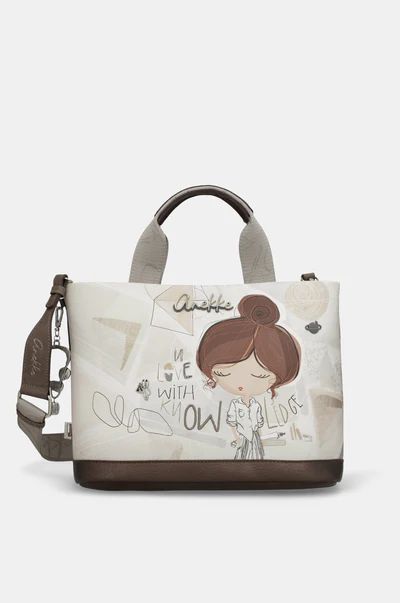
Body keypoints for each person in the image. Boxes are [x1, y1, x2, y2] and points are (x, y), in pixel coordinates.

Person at [196, 294, 301, 459]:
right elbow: (232, 423)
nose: (240, 383)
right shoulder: (235, 406)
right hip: (243, 438)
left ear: (274, 379)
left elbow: (257, 424)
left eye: (259, 375)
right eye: (223, 373)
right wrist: (237, 438)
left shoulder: (255, 406)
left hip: (254, 438)